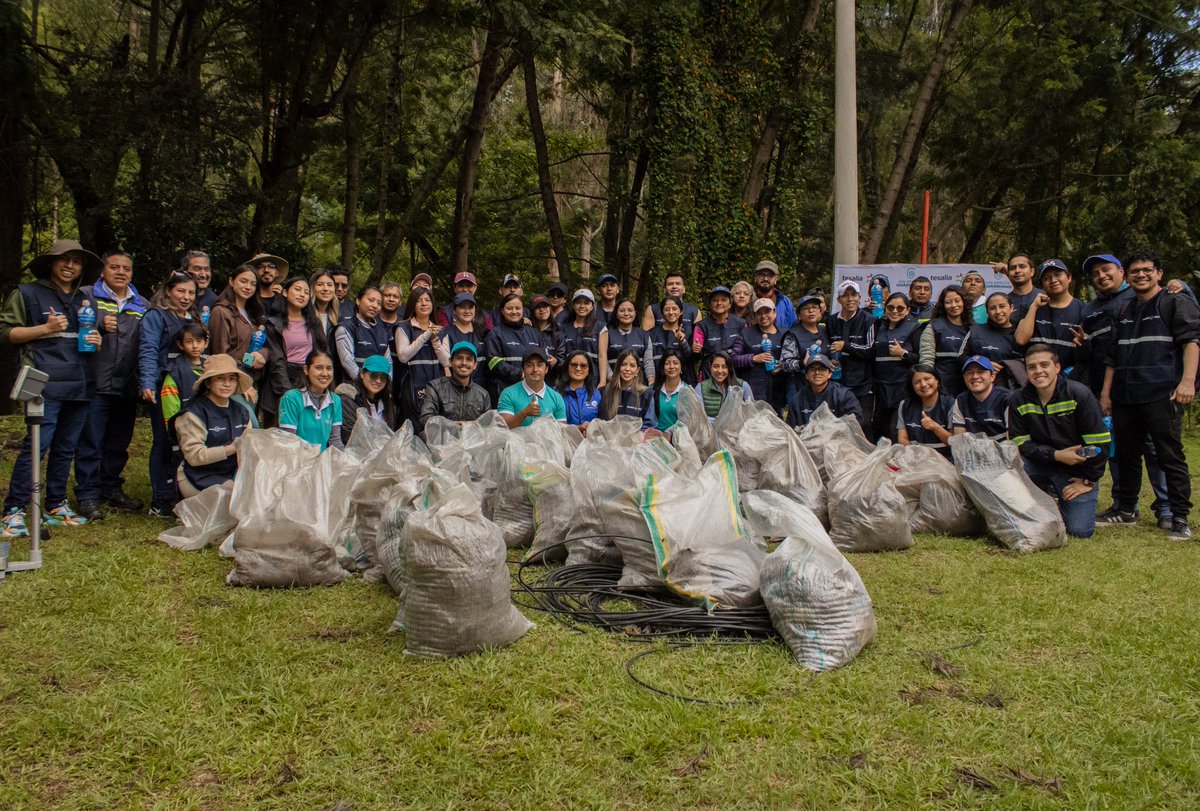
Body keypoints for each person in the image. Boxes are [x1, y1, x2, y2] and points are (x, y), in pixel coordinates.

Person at [1, 240, 102, 537]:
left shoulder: (85, 299)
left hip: (80, 381)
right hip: (42, 381)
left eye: (76, 261)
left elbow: (84, 337)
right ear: (50, 263)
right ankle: (14, 511)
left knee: (66, 448)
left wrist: (97, 340)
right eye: (64, 259)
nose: (70, 266)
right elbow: (5, 333)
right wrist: (45, 329)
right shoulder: (26, 293)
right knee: (36, 446)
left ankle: (56, 505)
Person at [1099, 250, 1199, 539]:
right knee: (1127, 455)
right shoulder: (1122, 310)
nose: (1141, 275)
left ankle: (1179, 517)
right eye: (1135, 271)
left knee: (1169, 455)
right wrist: (1106, 393)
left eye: (1147, 270)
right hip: (1125, 395)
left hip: (1162, 394)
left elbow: (1191, 342)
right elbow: (1112, 356)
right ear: (1127, 276)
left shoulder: (1174, 302)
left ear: (1159, 273)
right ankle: (1126, 510)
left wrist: (1187, 382)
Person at [1075, 254, 1170, 529]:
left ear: (1121, 272)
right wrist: (1084, 346)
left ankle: (1165, 508)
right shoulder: (1090, 309)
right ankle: (1124, 505)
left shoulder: (1144, 295)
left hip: (1148, 386)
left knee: (1154, 448)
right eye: (1095, 273)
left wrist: (1181, 286)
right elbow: (1096, 355)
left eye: (1106, 269)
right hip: (1110, 391)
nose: (1101, 276)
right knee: (1119, 450)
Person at [74, 249, 148, 519]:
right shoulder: (86, 296)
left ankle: (110, 488)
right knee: (91, 441)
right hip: (94, 382)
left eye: (126, 268)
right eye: (115, 267)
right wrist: (98, 325)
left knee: (118, 442)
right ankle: (87, 494)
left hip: (126, 385)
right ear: (103, 270)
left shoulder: (142, 304)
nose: (121, 272)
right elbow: (71, 330)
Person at [1009, 344, 1109, 539]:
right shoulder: (1018, 399)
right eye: (1032, 367)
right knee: (1012, 466)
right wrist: (1056, 455)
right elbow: (1021, 444)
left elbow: (1100, 443)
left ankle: (1056, 503)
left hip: (1077, 471)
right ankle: (1041, 499)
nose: (1038, 371)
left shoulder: (1079, 394)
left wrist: (1088, 480)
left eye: (1044, 365)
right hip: (1039, 464)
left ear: (1057, 367)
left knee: (1079, 531)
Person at [138, 270, 199, 515]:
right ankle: (161, 497)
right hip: (165, 386)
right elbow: (148, 350)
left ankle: (183, 493)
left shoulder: (194, 319)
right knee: (164, 440)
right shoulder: (156, 316)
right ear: (168, 291)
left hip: (190, 384)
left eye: (191, 292)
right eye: (180, 291)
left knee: (187, 439)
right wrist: (147, 383)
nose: (186, 297)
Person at [175, 354, 254, 498]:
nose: (227, 384)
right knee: (240, 498)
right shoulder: (193, 414)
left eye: (232, 379)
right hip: (197, 475)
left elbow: (249, 447)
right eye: (220, 378)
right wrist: (234, 447)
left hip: (231, 472)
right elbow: (194, 456)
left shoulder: (242, 411)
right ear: (208, 382)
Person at [207, 264, 276, 419]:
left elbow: (267, 345)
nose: (248, 287)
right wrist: (239, 382)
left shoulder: (253, 313)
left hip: (255, 380)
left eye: (253, 284)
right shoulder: (221, 312)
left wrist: (262, 354)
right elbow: (220, 354)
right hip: (232, 382)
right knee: (249, 426)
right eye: (243, 281)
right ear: (231, 281)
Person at [1015, 259, 1085, 372]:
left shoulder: (1083, 309)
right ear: (1042, 285)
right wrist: (1034, 307)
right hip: (1038, 375)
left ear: (1069, 277)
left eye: (1058, 275)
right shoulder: (1032, 307)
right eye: (1047, 278)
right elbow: (1021, 339)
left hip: (1070, 377)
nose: (1053, 280)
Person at [394, 286, 449, 423]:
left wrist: (435, 340)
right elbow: (403, 356)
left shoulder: (441, 330)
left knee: (436, 424)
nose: (424, 303)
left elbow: (446, 361)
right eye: (419, 300)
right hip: (412, 385)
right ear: (413, 304)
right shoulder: (403, 327)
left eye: (427, 300)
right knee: (414, 425)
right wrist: (426, 335)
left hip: (437, 385)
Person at [826, 280, 876, 429]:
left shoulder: (868, 319)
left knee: (863, 424)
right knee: (839, 425)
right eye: (845, 295)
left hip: (863, 384)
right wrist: (830, 359)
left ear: (859, 297)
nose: (850, 299)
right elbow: (827, 347)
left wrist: (845, 346)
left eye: (854, 295)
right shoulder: (831, 321)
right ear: (838, 299)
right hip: (838, 382)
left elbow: (870, 350)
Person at [485, 293, 553, 402]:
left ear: (523, 310)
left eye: (518, 308)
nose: (514, 311)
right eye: (509, 308)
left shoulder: (534, 333)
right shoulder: (495, 333)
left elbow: (544, 360)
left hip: (533, 390)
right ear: (502, 310)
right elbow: (493, 361)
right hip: (505, 391)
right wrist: (520, 374)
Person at [870, 292, 919, 441]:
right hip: (880, 389)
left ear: (908, 310)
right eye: (890, 307)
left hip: (902, 388)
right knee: (879, 431)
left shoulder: (914, 328)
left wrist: (902, 353)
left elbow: (920, 359)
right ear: (885, 308)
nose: (895, 311)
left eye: (900, 308)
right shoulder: (877, 325)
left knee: (895, 431)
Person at [267, 276, 328, 389]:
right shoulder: (274, 324)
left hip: (310, 378)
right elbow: (276, 361)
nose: (302, 295)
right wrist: (287, 390)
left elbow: (323, 352)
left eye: (306, 292)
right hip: (284, 379)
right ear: (285, 292)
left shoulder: (314, 323)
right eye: (298, 289)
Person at [277, 350, 344, 451]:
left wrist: (347, 458)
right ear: (306, 370)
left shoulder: (336, 400)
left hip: (322, 459)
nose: (325, 373)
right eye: (318, 368)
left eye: (329, 368)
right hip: (296, 458)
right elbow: (289, 442)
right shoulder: (291, 398)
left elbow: (335, 441)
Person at [419, 342, 492, 433]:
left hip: (472, 441)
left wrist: (463, 427)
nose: (464, 363)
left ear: (475, 365)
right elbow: (426, 419)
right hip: (441, 441)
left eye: (469, 359)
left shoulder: (483, 395)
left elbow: (488, 427)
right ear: (450, 362)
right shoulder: (435, 387)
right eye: (459, 358)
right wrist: (460, 426)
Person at [919, 284, 972, 398]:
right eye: (948, 302)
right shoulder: (933, 326)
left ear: (964, 302)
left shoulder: (973, 328)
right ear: (943, 305)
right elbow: (926, 360)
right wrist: (930, 384)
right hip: (941, 387)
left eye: (957, 301)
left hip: (968, 385)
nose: (953, 305)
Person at [735, 297, 785, 412]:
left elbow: (792, 359)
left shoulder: (785, 334)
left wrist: (782, 365)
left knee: (776, 419)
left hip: (778, 389)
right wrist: (753, 358)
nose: (763, 316)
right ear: (755, 316)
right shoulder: (745, 334)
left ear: (774, 312)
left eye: (767, 311)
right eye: (759, 313)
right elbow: (734, 359)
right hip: (754, 389)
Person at [787, 354, 863, 428]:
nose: (817, 372)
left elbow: (857, 419)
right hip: (805, 436)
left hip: (837, 435)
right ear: (806, 375)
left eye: (822, 369)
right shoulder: (797, 399)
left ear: (830, 374)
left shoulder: (843, 395)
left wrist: (833, 429)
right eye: (812, 369)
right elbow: (790, 428)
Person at [895, 366, 955, 459]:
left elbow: (955, 442)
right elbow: (902, 439)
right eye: (917, 382)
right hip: (915, 459)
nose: (923, 384)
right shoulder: (905, 405)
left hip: (945, 461)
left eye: (927, 379)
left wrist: (935, 427)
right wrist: (918, 456)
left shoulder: (951, 404)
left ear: (937, 380)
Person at [334, 286, 392, 382]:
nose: (375, 306)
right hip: (353, 385)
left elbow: (388, 361)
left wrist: (386, 382)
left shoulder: (383, 331)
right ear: (358, 301)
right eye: (371, 300)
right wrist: (365, 382)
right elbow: (347, 361)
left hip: (378, 385)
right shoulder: (346, 328)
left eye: (379, 303)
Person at [497, 348, 567, 428]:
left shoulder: (556, 397)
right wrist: (524, 413)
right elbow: (503, 429)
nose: (535, 370)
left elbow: (562, 431)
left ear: (546, 369)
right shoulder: (508, 394)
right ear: (523, 369)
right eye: (529, 365)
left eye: (539, 365)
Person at [335, 354, 397, 443]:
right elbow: (349, 437)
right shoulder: (348, 398)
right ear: (362, 374)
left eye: (383, 377)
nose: (378, 381)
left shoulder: (388, 402)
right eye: (373, 375)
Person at [780, 295, 828, 406]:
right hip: (799, 386)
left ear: (820, 312)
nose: (811, 311)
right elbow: (784, 363)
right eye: (806, 308)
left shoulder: (825, 331)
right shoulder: (792, 334)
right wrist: (802, 363)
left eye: (814, 307)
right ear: (799, 315)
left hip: (824, 386)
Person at [160, 322, 209, 429]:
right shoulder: (175, 372)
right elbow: (170, 409)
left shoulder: (211, 367)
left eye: (199, 341)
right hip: (186, 428)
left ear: (206, 343)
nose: (195, 346)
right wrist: (175, 430)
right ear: (180, 345)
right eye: (189, 342)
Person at [950, 355, 1011, 440]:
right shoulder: (961, 400)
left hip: (1003, 447)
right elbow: (960, 440)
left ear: (992, 376)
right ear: (964, 378)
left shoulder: (1007, 398)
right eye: (970, 372)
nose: (975, 376)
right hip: (973, 448)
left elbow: (1012, 441)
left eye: (980, 372)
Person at [557, 289, 609, 386]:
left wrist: (602, 381)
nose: (582, 306)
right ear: (573, 305)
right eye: (578, 302)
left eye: (586, 303)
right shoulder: (564, 327)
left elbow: (602, 356)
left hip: (592, 379)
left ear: (592, 306)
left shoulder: (600, 327)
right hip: (568, 379)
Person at [692, 286, 745, 380]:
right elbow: (696, 357)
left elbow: (746, 350)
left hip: (735, 373)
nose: (719, 303)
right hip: (708, 374)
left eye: (723, 300)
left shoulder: (741, 324)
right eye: (715, 300)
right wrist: (696, 351)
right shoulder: (701, 326)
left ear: (730, 304)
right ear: (709, 304)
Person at [643, 295, 694, 384]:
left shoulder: (689, 332)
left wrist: (683, 342)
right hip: (657, 382)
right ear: (662, 312)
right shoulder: (651, 334)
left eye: (674, 309)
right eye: (667, 309)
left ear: (681, 311)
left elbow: (691, 359)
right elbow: (648, 360)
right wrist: (651, 383)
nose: (671, 312)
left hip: (684, 383)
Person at [441, 292, 489, 386]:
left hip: (481, 387)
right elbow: (445, 364)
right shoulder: (446, 333)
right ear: (454, 310)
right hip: (455, 387)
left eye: (470, 307)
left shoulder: (484, 333)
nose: (467, 311)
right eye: (462, 307)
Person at [601, 350, 653, 427]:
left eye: (632, 365)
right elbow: (600, 421)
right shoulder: (605, 391)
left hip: (636, 434)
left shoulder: (646, 394)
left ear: (637, 370)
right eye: (623, 364)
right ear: (618, 367)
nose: (627, 369)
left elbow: (649, 424)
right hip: (609, 434)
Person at [695, 351, 752, 420]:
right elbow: (699, 416)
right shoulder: (701, 387)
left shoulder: (743, 386)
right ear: (710, 366)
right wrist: (720, 422)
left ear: (729, 368)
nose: (720, 371)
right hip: (709, 427)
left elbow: (751, 415)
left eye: (724, 367)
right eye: (716, 366)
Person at [645, 348, 689, 433]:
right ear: (662, 368)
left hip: (679, 437)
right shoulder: (653, 390)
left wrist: (669, 433)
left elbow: (688, 422)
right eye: (667, 363)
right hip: (655, 437)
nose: (671, 367)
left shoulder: (687, 392)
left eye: (675, 363)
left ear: (682, 367)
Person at [559, 351, 604, 433]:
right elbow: (551, 425)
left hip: (590, 440)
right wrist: (578, 428)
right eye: (574, 365)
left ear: (589, 370)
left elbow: (603, 425)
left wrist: (593, 428)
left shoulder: (597, 395)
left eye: (583, 366)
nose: (578, 368)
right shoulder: (556, 394)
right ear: (567, 367)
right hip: (562, 440)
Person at [750, 260, 797, 329]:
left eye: (770, 276)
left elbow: (794, 328)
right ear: (755, 278)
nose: (765, 279)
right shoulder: (747, 300)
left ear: (776, 279)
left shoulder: (785, 302)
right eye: (761, 275)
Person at [606, 297, 647, 376]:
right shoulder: (606, 334)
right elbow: (603, 359)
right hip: (613, 380)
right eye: (622, 310)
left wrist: (650, 380)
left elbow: (648, 362)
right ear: (616, 313)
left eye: (630, 310)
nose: (626, 313)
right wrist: (612, 378)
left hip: (638, 381)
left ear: (635, 313)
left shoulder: (644, 335)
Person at [309, 269, 342, 357]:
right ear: (312, 288)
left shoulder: (339, 317)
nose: (326, 289)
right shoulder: (305, 315)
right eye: (320, 284)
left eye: (330, 285)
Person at [998, 252, 1038, 324]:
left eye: (1022, 266)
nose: (1017, 271)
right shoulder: (1004, 302)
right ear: (1008, 273)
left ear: (1032, 271)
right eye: (1012, 268)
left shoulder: (1044, 297)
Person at [248, 252, 287, 318]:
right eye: (260, 267)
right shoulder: (248, 299)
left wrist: (284, 300)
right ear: (254, 272)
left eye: (271, 266)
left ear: (277, 273)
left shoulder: (284, 301)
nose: (266, 270)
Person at [378, 281, 405, 346]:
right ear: (380, 297)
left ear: (400, 301)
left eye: (395, 296)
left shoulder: (404, 324)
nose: (391, 299)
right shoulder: (371, 320)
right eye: (387, 295)